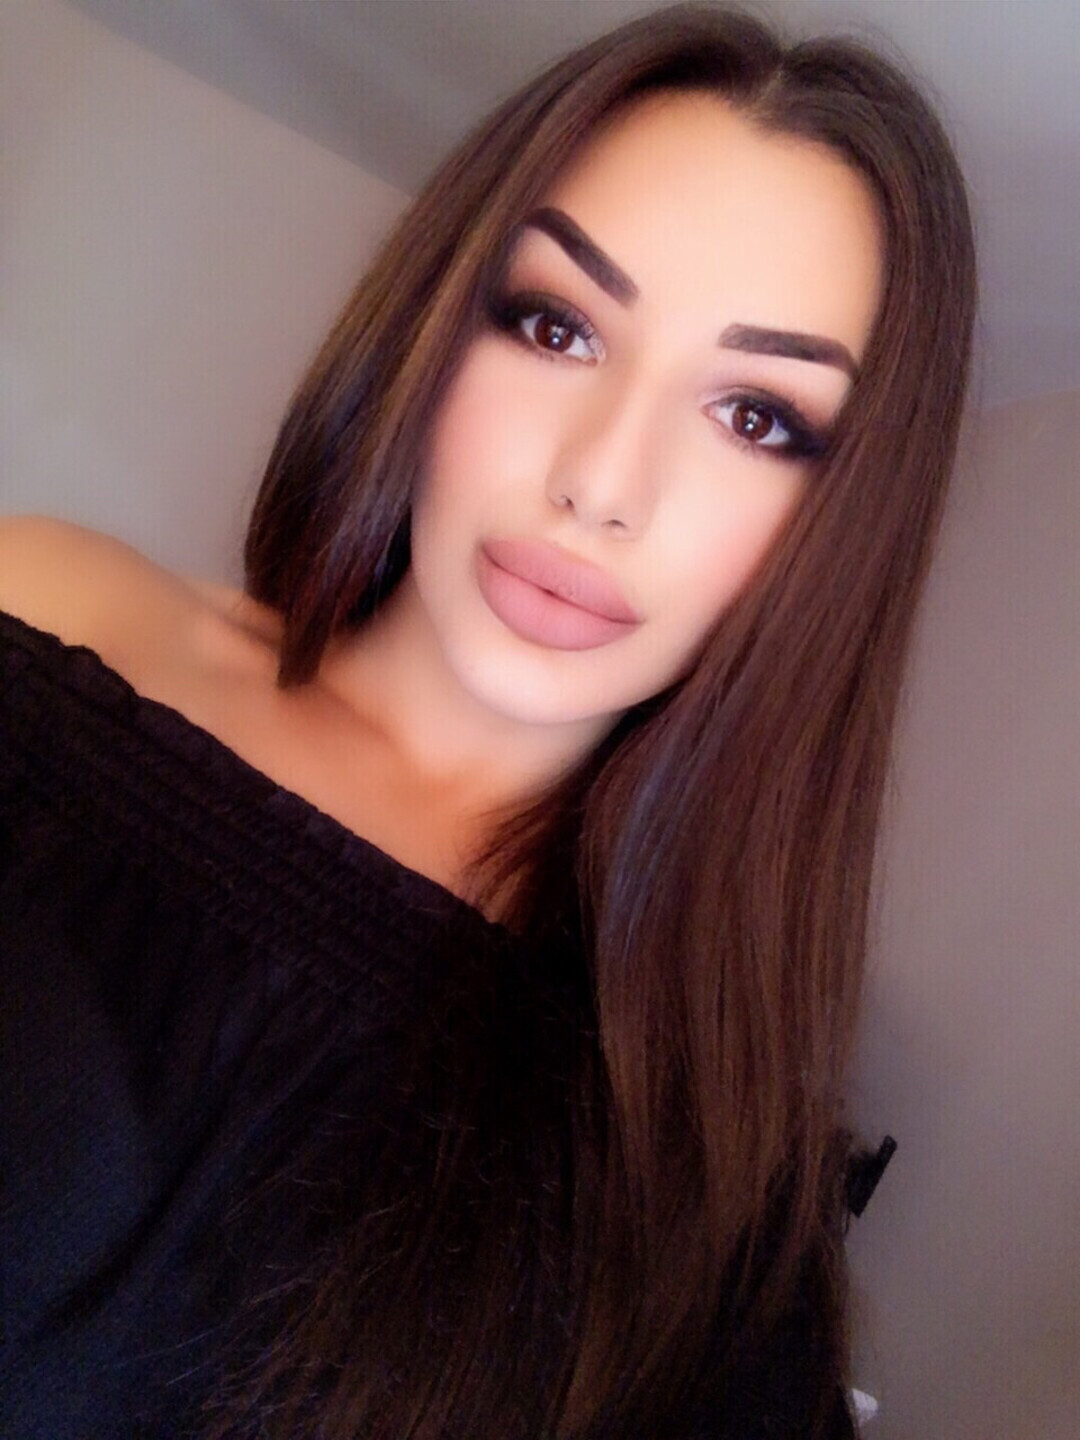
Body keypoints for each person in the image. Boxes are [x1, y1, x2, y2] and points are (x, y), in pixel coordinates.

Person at [0, 4, 975, 1437]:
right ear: (437, 325)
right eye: (555, 325)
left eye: (757, 418)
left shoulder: (711, 1224)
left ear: (846, 532)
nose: (602, 483)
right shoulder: (44, 614)